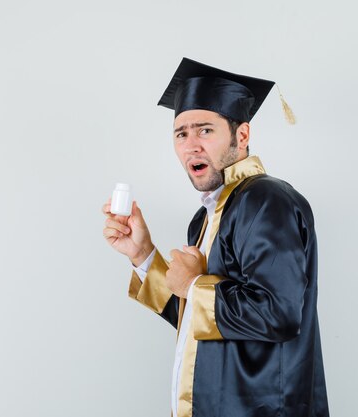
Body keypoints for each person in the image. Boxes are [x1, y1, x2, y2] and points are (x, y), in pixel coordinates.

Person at [102, 58, 329, 417]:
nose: (191, 145)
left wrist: (194, 284)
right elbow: (202, 316)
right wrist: (143, 254)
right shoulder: (205, 218)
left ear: (242, 135)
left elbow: (278, 313)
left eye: (205, 130)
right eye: (181, 134)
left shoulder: (266, 200)